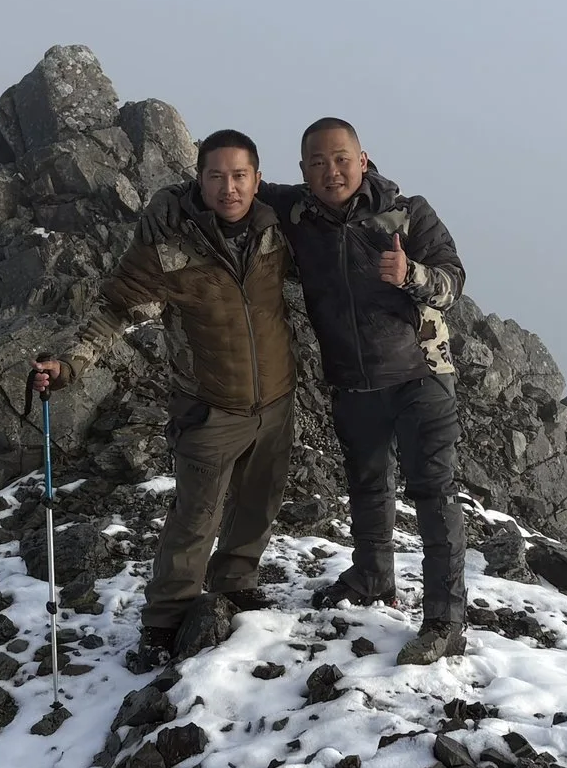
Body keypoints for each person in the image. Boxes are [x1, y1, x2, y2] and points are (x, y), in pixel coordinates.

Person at [32, 128, 295, 666]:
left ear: (258, 179)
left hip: (275, 401)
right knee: (194, 517)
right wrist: (68, 366)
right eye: (216, 176)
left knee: (259, 501)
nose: (229, 188)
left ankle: (236, 581)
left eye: (240, 175)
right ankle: (164, 620)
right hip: (209, 404)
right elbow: (115, 309)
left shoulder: (276, 229)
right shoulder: (167, 240)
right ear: (197, 179)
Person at [261, 119, 469, 664]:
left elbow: (454, 281)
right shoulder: (298, 215)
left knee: (432, 493)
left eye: (341, 159)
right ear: (303, 170)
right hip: (352, 382)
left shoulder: (410, 212)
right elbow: (235, 180)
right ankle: (374, 577)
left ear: (364, 158)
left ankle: (446, 619)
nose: (332, 172)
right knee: (367, 486)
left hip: (420, 376)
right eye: (318, 163)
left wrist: (412, 274)